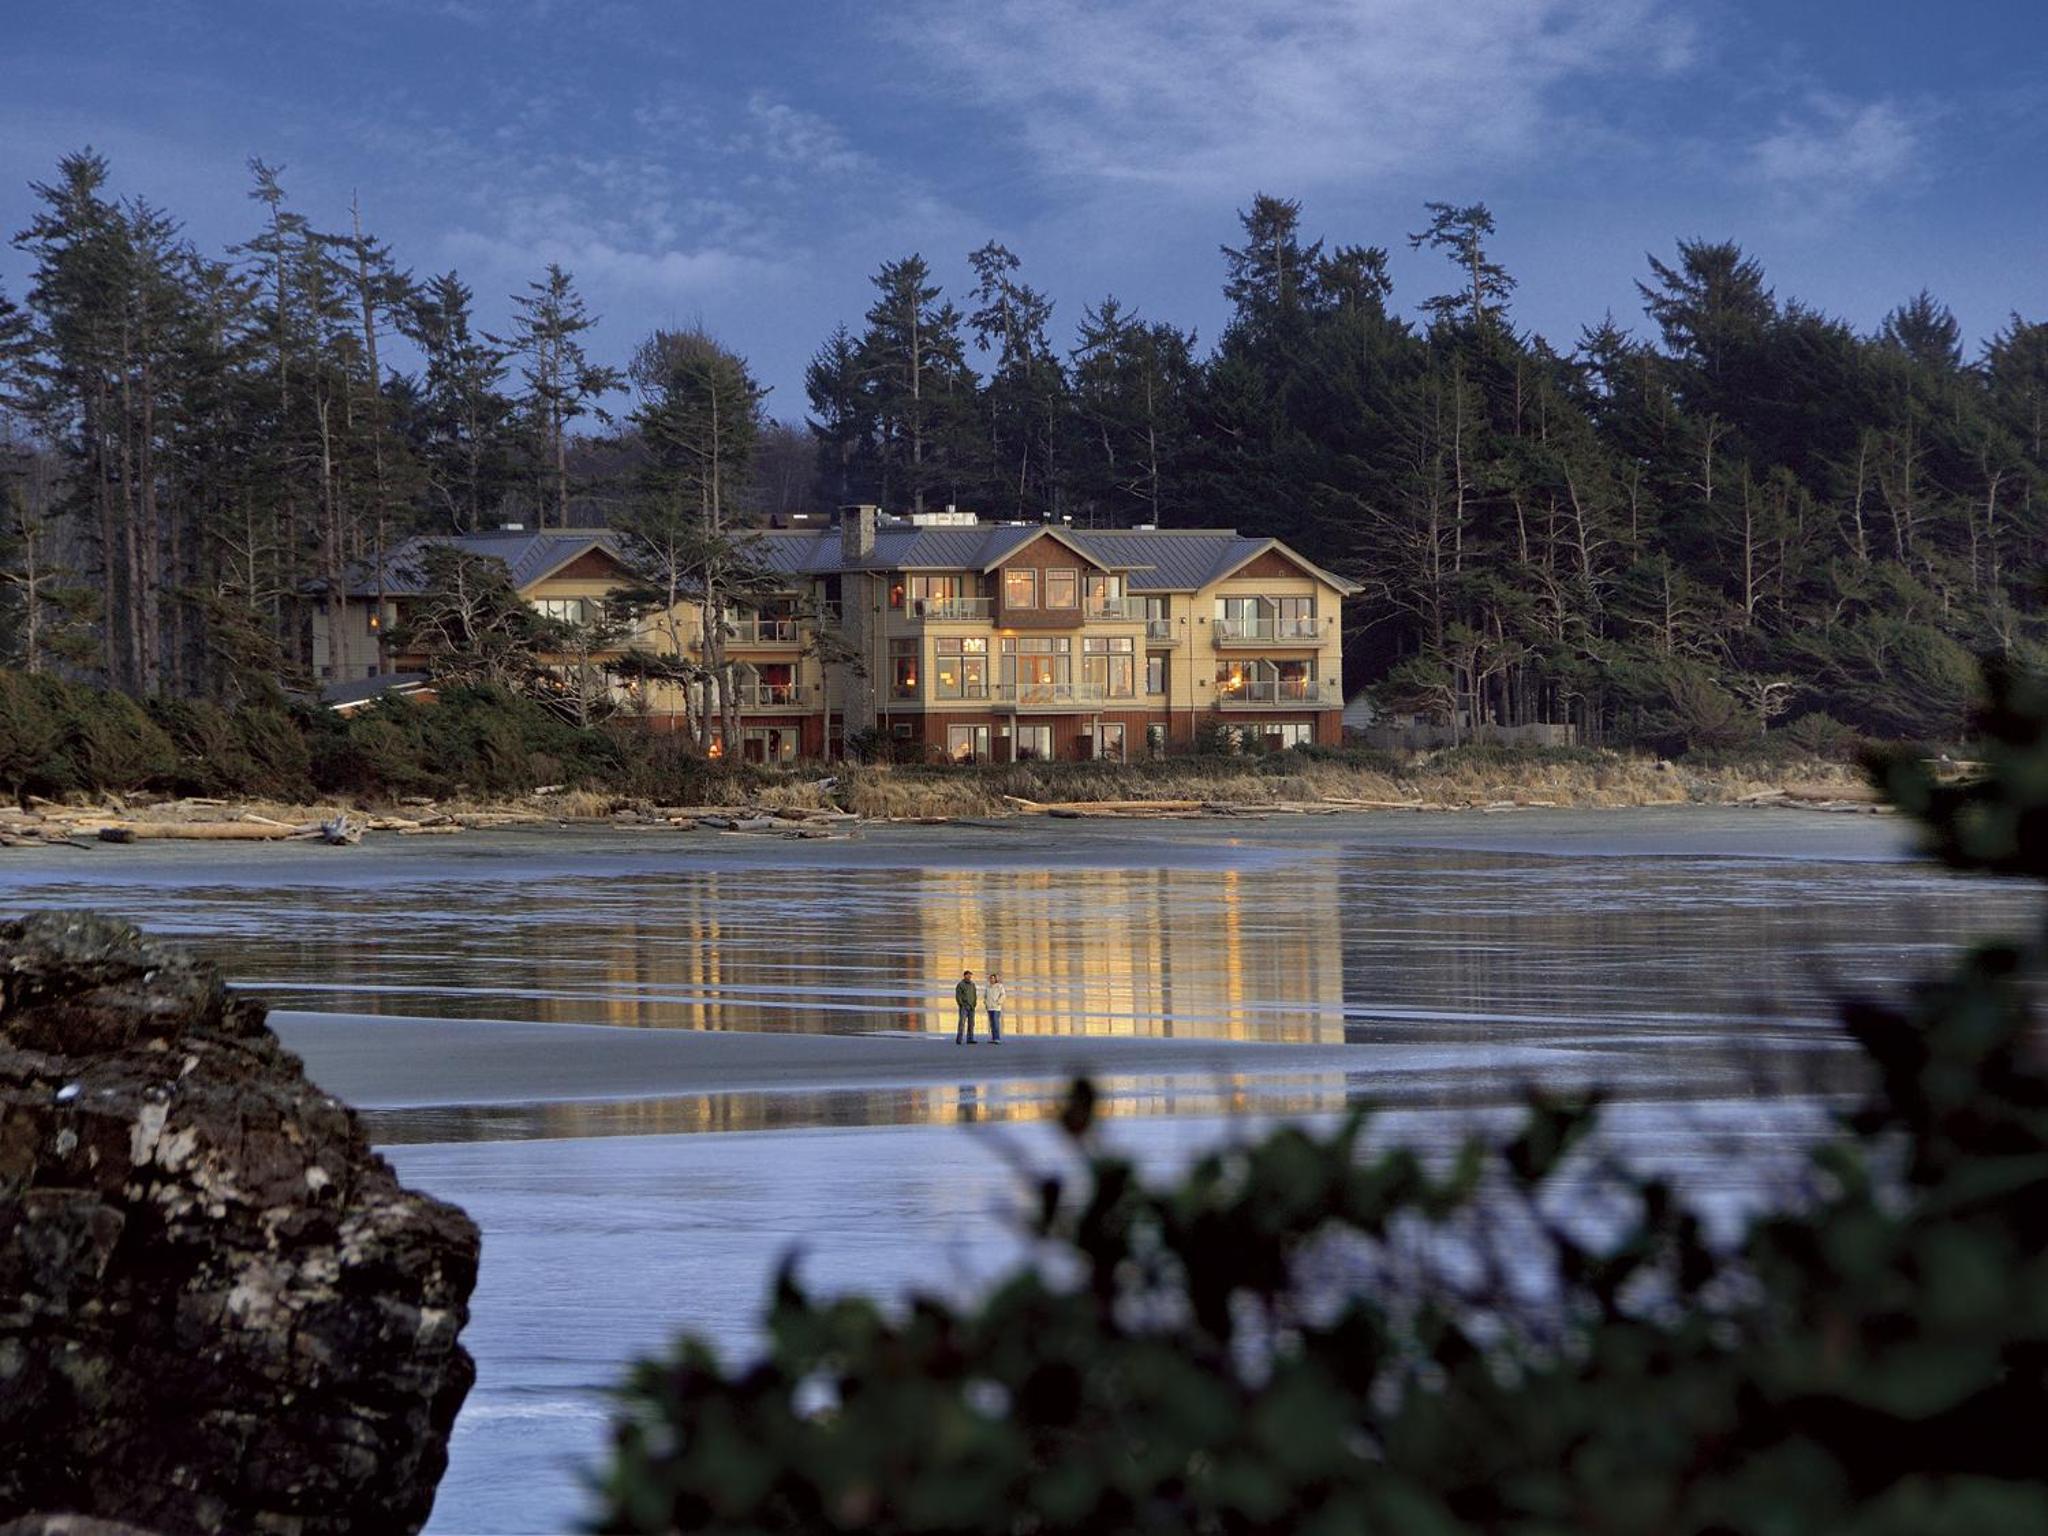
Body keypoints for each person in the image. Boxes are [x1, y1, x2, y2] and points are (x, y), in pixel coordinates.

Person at [954, 969, 978, 1045]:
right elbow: (958, 996)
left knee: (971, 1024)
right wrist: (961, 1004)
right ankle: (959, 1039)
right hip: (964, 1007)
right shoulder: (960, 984)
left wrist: (974, 1004)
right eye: (968, 975)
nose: (969, 976)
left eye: (970, 975)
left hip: (972, 1007)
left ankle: (970, 1039)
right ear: (965, 975)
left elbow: (974, 995)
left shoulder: (973, 984)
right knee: (962, 1023)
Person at [984, 971, 1006, 1043]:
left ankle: (997, 1038)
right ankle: (993, 1038)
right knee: (992, 1023)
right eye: (990, 978)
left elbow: (1003, 995)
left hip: (996, 1008)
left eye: (993, 978)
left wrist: (998, 1002)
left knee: (996, 1023)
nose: (991, 980)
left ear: (995, 979)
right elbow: (985, 996)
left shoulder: (1000, 986)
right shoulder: (988, 987)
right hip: (989, 1007)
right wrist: (986, 1003)